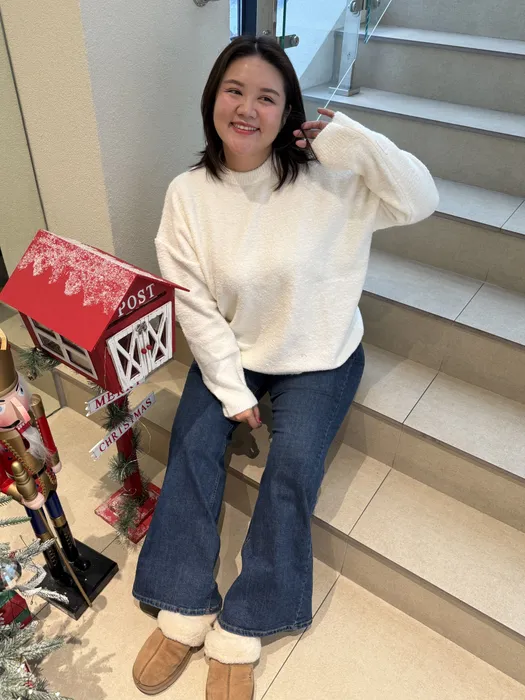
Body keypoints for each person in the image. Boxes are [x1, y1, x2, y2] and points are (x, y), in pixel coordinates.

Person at [132, 35, 438, 700]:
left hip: (320, 353)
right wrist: (230, 388)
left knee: (293, 464)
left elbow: (420, 199)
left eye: (266, 97)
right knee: (193, 444)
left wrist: (353, 141)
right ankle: (181, 600)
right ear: (213, 98)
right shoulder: (188, 194)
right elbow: (193, 303)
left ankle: (249, 619)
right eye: (234, 91)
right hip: (236, 349)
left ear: (287, 110)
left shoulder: (329, 179)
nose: (247, 109)